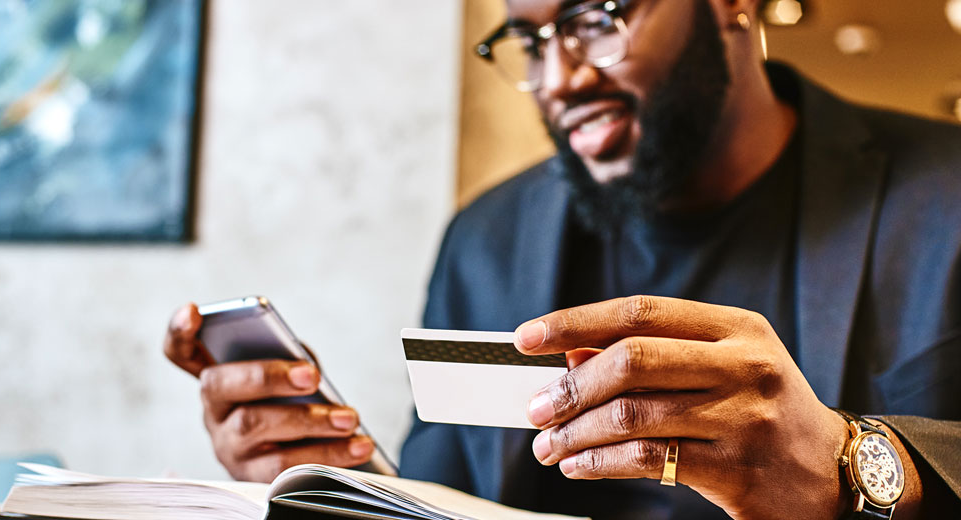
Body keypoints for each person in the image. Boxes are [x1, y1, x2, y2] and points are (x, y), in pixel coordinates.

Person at [165, 0, 961, 518]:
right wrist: (334, 479)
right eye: (528, 41)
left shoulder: (945, 194)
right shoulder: (485, 238)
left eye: (597, 18)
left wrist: (846, 465)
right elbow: (450, 497)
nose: (561, 79)